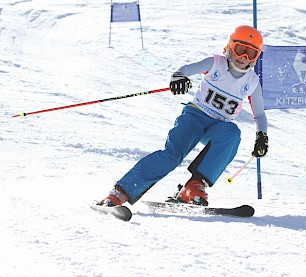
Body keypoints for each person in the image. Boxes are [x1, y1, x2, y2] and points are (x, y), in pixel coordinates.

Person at [97, 25, 269, 207]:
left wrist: (262, 136)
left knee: (232, 133)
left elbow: (259, 114)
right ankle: (121, 192)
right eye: (240, 50)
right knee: (172, 156)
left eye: (251, 54)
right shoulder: (215, 63)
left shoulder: (252, 82)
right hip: (194, 117)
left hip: (218, 127)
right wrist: (179, 77)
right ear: (229, 47)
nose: (243, 58)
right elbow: (184, 70)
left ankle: (194, 187)